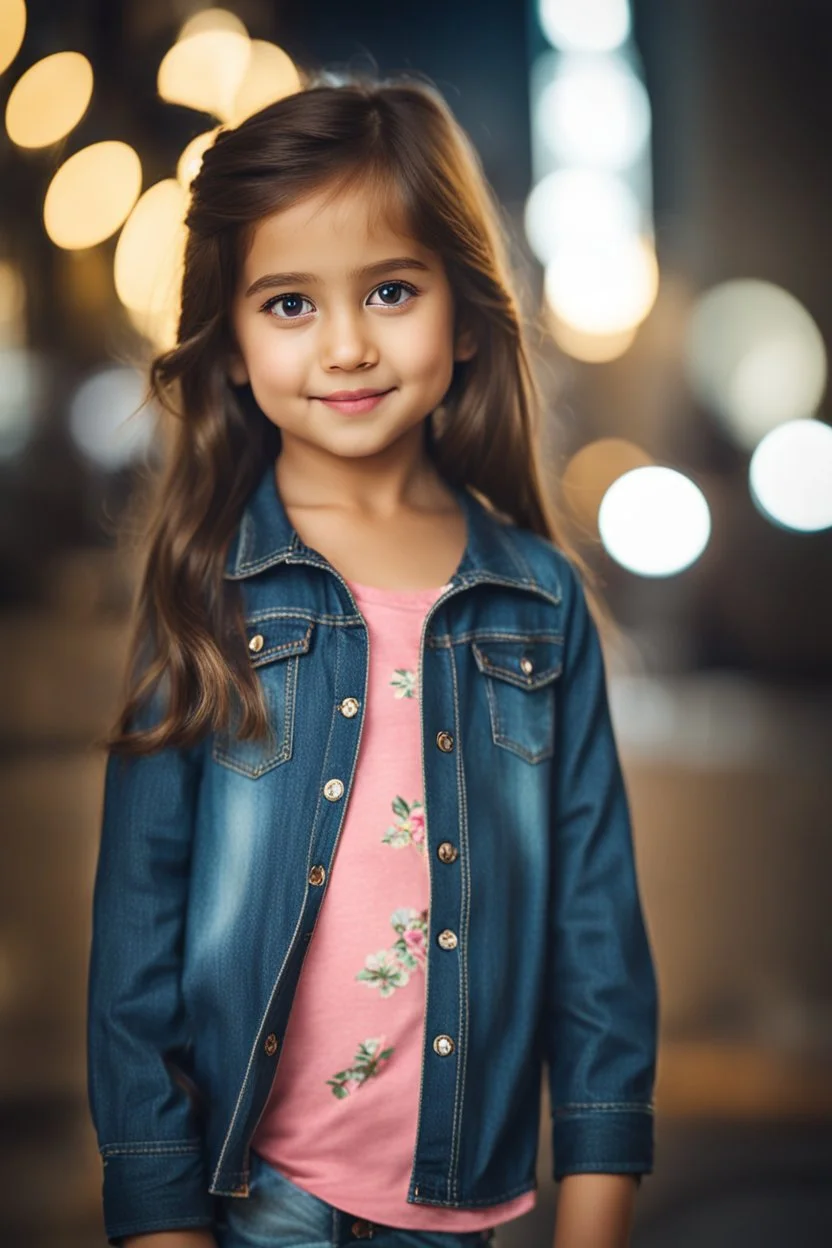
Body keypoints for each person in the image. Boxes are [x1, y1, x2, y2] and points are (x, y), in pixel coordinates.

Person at [86, 69, 659, 1248]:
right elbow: (136, 931)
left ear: (462, 310)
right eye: (290, 304)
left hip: (459, 1211)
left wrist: (596, 1200)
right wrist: (156, 1211)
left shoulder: (539, 605)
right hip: (256, 1202)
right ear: (232, 343)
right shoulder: (208, 589)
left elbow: (594, 930)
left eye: (390, 290)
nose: (346, 345)